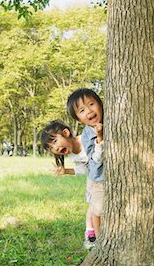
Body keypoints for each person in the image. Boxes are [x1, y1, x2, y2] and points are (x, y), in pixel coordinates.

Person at [40, 120, 96, 249]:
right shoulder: (72, 155)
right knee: (93, 206)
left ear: (66, 133)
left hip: (101, 175)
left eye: (55, 142)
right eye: (51, 148)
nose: (56, 148)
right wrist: (65, 171)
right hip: (94, 180)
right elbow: (83, 170)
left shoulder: (86, 139)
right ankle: (90, 233)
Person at [66, 88, 104, 239]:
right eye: (82, 110)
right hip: (98, 179)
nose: (89, 111)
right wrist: (100, 138)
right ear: (78, 120)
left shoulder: (110, 119)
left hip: (109, 177)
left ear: (100, 104)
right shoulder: (87, 136)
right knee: (98, 210)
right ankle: (98, 239)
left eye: (91, 104)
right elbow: (96, 159)